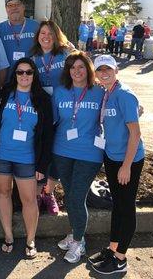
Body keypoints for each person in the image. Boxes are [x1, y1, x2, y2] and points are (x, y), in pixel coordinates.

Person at [0, 58, 53, 259]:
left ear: (34, 75)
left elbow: (48, 135)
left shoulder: (42, 99)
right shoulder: (1, 96)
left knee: (29, 199)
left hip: (27, 158)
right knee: (3, 192)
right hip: (1, 155)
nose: (24, 76)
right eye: (20, 72)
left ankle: (30, 239)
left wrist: (42, 164)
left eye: (29, 72)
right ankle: (8, 236)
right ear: (14, 74)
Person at [89, 55, 145, 274]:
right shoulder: (106, 93)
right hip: (112, 157)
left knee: (126, 207)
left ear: (116, 71)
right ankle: (112, 249)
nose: (104, 73)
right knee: (117, 207)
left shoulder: (124, 95)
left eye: (108, 69)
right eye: (100, 70)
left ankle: (120, 258)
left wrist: (126, 166)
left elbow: (135, 134)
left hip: (127, 160)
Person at [51, 51, 104, 263]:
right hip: (62, 150)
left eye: (81, 67)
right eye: (72, 67)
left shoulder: (99, 92)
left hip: (89, 153)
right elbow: (53, 122)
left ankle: (80, 241)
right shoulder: (59, 92)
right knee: (70, 194)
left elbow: (118, 108)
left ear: (88, 70)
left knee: (76, 196)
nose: (76, 71)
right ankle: (74, 233)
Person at [30, 20, 73, 215]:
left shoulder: (65, 55)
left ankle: (50, 193)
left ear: (56, 36)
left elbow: (84, 72)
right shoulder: (32, 58)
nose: (46, 37)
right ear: (38, 36)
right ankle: (38, 194)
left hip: (63, 111)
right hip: (41, 113)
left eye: (50, 33)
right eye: (42, 33)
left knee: (57, 154)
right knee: (41, 152)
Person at [0, 0, 39, 67]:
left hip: (29, 76)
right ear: (6, 9)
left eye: (17, 4)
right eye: (10, 5)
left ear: (24, 7)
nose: (14, 8)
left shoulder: (37, 26)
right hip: (6, 76)